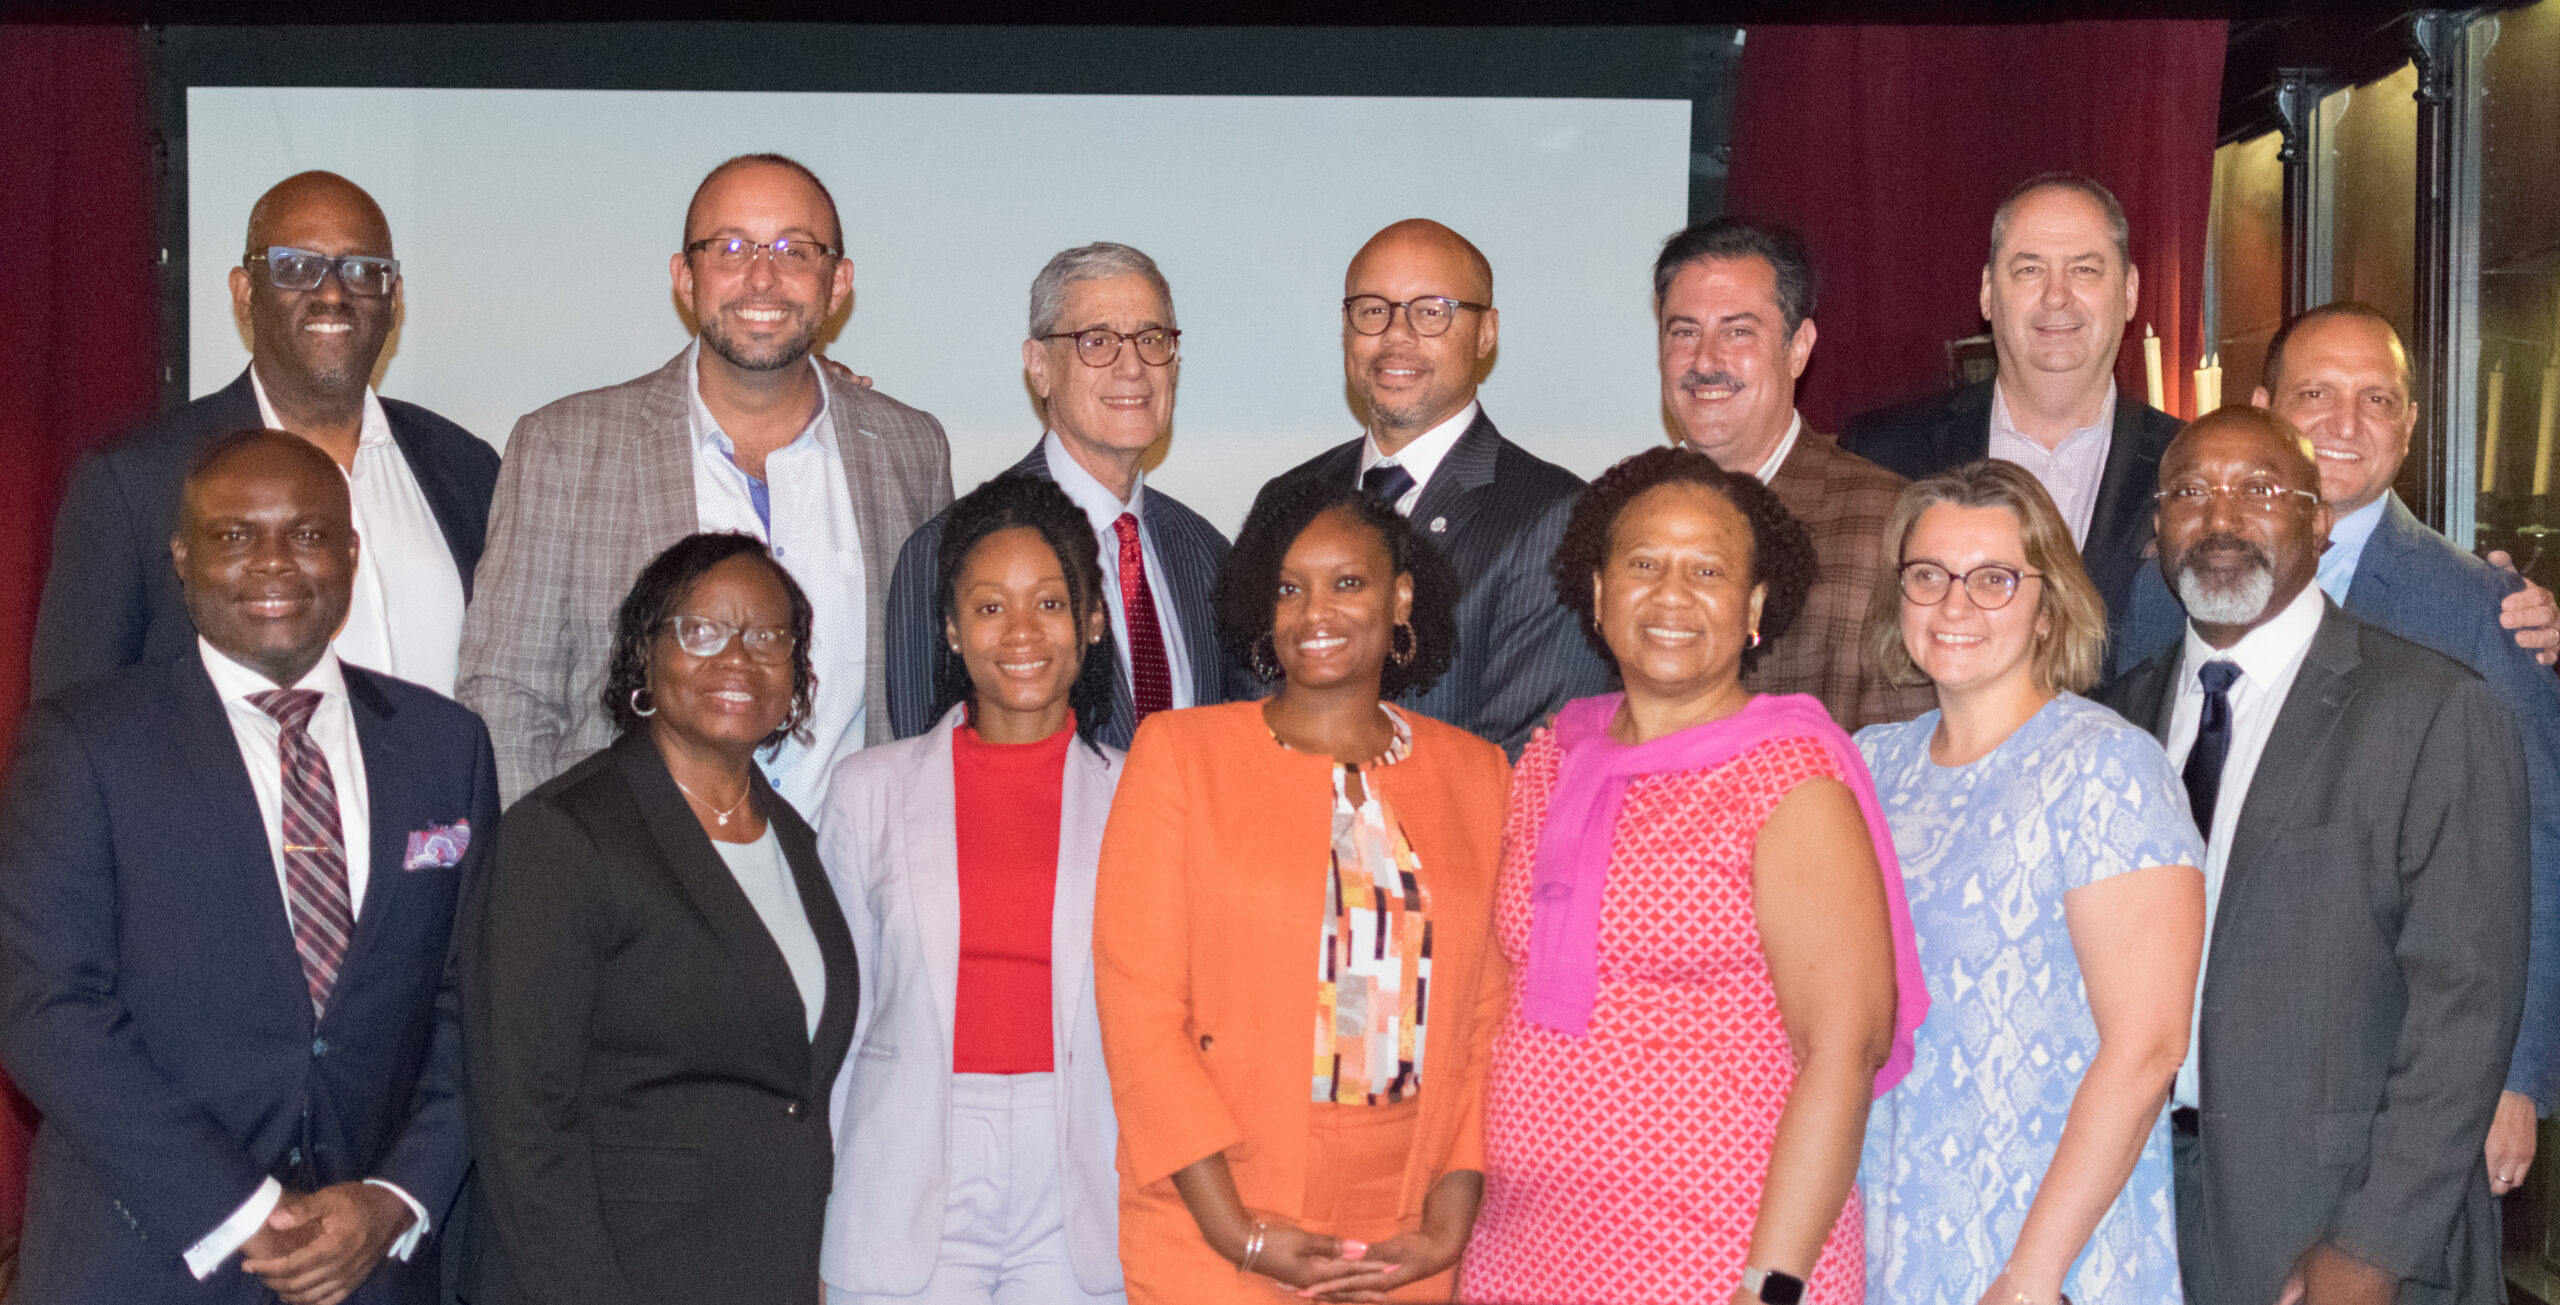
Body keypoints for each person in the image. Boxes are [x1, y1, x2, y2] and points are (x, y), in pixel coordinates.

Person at [0, 429, 495, 1303]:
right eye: (235, 536)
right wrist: (242, 1206)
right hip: (147, 1256)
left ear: (349, 552)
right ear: (182, 559)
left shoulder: (444, 747)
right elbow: (46, 1006)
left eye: (307, 534)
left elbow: (477, 1001)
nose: (274, 562)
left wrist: (394, 1198)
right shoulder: (84, 742)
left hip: (372, 1265)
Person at [1463, 446, 1925, 1305]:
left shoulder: (1788, 776)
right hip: (1524, 1253)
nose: (1671, 594)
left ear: (1753, 606)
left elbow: (1843, 1049)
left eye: (1707, 570)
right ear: (1597, 593)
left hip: (1720, 1257)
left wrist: (1772, 1283)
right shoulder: (1550, 758)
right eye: (1643, 564)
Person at [2116, 304, 2560, 1198]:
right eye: (2316, 393)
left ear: (2408, 426)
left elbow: (2538, 839)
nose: (2346, 423)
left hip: (2376, 1081)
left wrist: (2519, 1073)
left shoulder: (2485, 608)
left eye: (2378, 399)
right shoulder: (2166, 586)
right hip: (2176, 1083)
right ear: (2262, 403)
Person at [1094, 478, 1508, 1303]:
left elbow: (1484, 1022)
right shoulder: (1180, 754)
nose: (1315, 610)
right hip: (1217, 1216)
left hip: (1408, 1227)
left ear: (1400, 598)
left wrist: (1447, 1222)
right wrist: (1236, 1233)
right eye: (1289, 587)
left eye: (1347, 583)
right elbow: (1139, 1013)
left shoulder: (1479, 773)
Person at [459, 152, 952, 810]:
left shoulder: (909, 449)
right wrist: (562, 881)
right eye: (730, 247)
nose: (762, 276)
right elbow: (506, 701)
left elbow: (932, 700)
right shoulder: (563, 446)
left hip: (845, 895)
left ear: (837, 285)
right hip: (630, 892)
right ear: (685, 279)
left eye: (794, 249)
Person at [464, 532, 859, 1305]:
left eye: (767, 636)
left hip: (764, 1271)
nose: (737, 658)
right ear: (646, 655)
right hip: (611, 1277)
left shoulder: (802, 843)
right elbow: (523, 1122)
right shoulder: (566, 834)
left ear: (799, 673)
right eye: (702, 630)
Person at [1854, 460, 2203, 1305]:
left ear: (2048, 607)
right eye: (1928, 575)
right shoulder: (1868, 764)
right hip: (1884, 1234)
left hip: (2050, 1253)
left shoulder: (2107, 768)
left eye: (1995, 579)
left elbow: (2148, 1045)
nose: (1955, 604)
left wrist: (2030, 1277)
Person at [821, 476, 1127, 1304]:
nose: (1021, 632)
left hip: (1083, 1177)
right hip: (907, 1163)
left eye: (1051, 603)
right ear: (952, 629)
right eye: (989, 607)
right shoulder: (866, 790)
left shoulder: (1142, 795)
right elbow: (835, 1021)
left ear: (1092, 620)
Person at [33, 171, 498, 700]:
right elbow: (71, 724)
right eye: (297, 268)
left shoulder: (468, 470)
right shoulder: (136, 482)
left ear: (393, 300)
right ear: (245, 292)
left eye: (363, 271)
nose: (331, 293)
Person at [1269, 219, 1605, 754]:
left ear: (1486, 332)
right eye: (1373, 310)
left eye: (1431, 312)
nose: (1396, 337)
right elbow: (1250, 708)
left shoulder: (1555, 514)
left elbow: (1523, 763)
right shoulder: (1288, 498)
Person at [886, 243, 1233, 750]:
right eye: (1097, 341)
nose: (1132, 367)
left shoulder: (1208, 553)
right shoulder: (945, 555)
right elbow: (925, 774)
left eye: (1151, 339)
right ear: (1040, 366)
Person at [1837, 174, 2178, 652]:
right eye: (2029, 270)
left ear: (2130, 291)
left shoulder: (2188, 467)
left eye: (2084, 270)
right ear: (1986, 292)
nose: (2057, 296)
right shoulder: (1882, 455)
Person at [1654, 218, 1936, 731]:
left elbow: (1907, 771)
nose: (1705, 359)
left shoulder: (1889, 523)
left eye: (1738, 332)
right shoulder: (1623, 511)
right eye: (1684, 332)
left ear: (1799, 347)